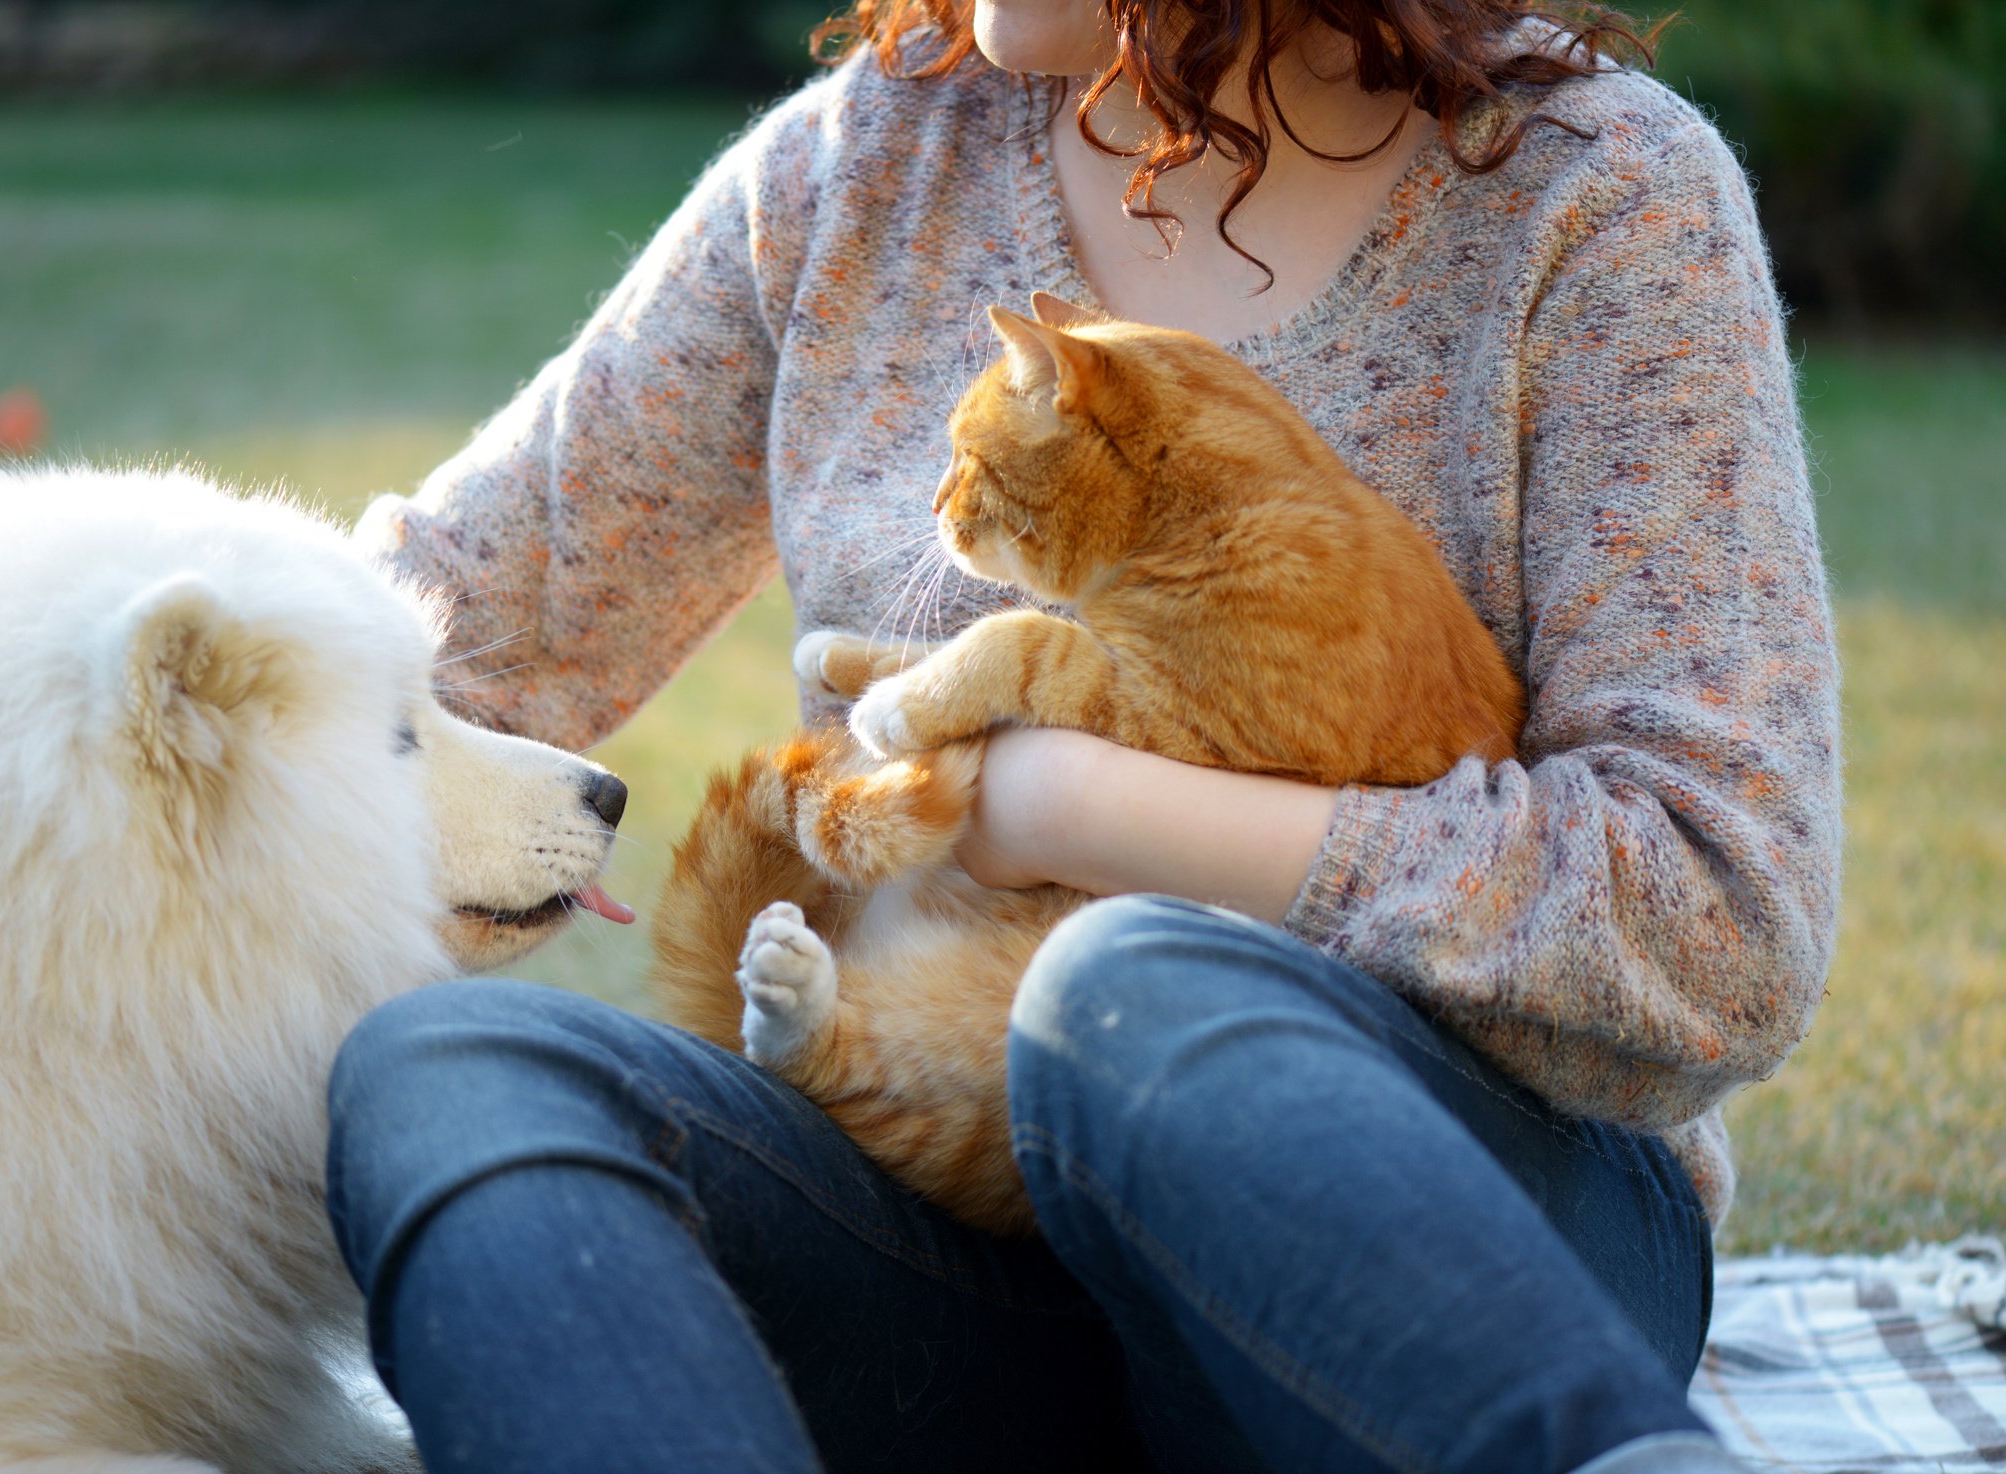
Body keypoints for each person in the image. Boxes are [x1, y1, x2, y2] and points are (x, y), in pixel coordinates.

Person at [325, 1, 1840, 1470]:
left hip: (1457, 1232)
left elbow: (1720, 915)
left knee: (1123, 990)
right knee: (448, 1067)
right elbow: (434, 631)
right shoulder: (867, 170)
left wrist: (1073, 801)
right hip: (940, 1227)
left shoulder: (1596, 198)